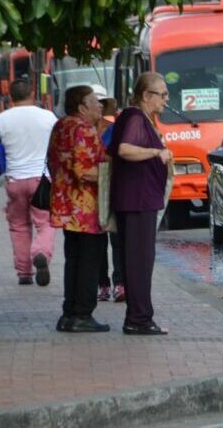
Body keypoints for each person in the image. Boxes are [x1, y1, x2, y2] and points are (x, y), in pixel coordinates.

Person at [107, 72, 173, 335]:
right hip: (137, 201)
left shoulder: (139, 117)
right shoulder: (135, 117)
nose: (166, 100)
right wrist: (157, 152)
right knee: (139, 261)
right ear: (146, 95)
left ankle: (139, 316)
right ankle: (139, 319)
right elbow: (124, 149)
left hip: (141, 199)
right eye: (162, 94)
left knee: (141, 260)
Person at [47, 85, 110, 332]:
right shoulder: (84, 129)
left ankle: (69, 313)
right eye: (95, 102)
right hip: (85, 208)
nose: (100, 106)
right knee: (89, 261)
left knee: (73, 259)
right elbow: (84, 170)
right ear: (82, 107)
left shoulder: (61, 125)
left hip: (65, 205)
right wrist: (112, 175)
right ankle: (83, 314)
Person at [0, 78, 58, 286]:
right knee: (46, 223)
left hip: (14, 179)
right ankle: (41, 253)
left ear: (10, 96)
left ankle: (24, 273)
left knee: (18, 226)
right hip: (41, 180)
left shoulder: (2, 118)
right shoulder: (48, 116)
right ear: (32, 93)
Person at [96, 97, 124, 302]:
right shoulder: (112, 129)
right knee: (113, 241)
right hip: (107, 191)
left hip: (97, 193)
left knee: (102, 241)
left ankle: (106, 285)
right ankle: (116, 285)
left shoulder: (93, 131)